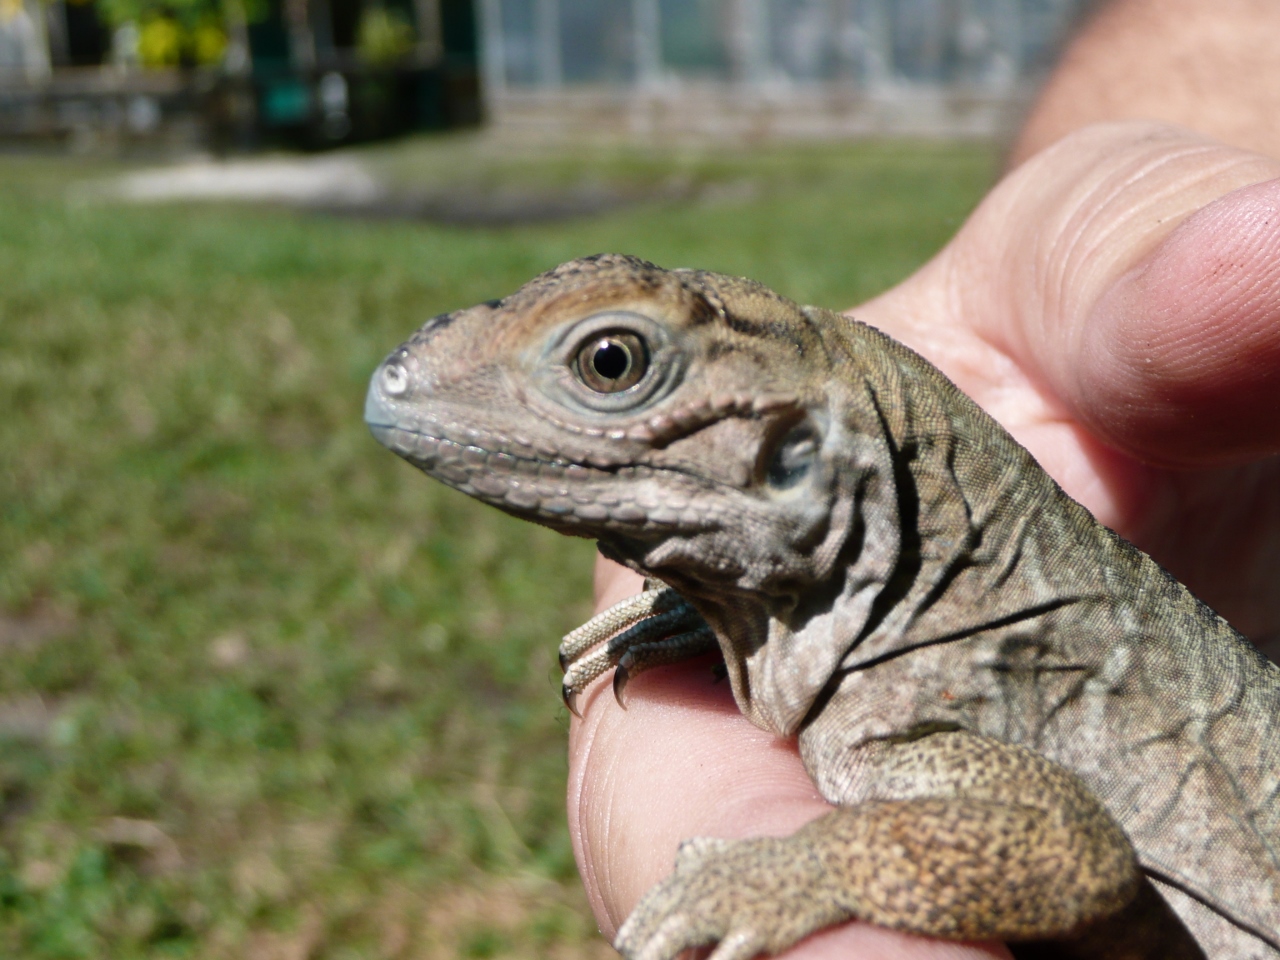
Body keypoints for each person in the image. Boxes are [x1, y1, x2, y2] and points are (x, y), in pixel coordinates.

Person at [568, 0, 1280, 956]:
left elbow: (1068, 859)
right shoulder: (908, 633)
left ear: (801, 456)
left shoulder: (925, 685)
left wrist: (814, 864)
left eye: (613, 367)